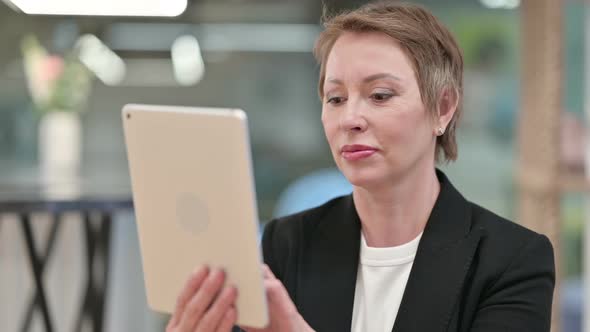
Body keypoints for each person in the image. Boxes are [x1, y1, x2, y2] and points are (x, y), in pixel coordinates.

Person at [166, 1, 555, 331]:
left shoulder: (511, 260)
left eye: (380, 95)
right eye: (335, 98)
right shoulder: (288, 242)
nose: (350, 118)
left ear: (443, 108)